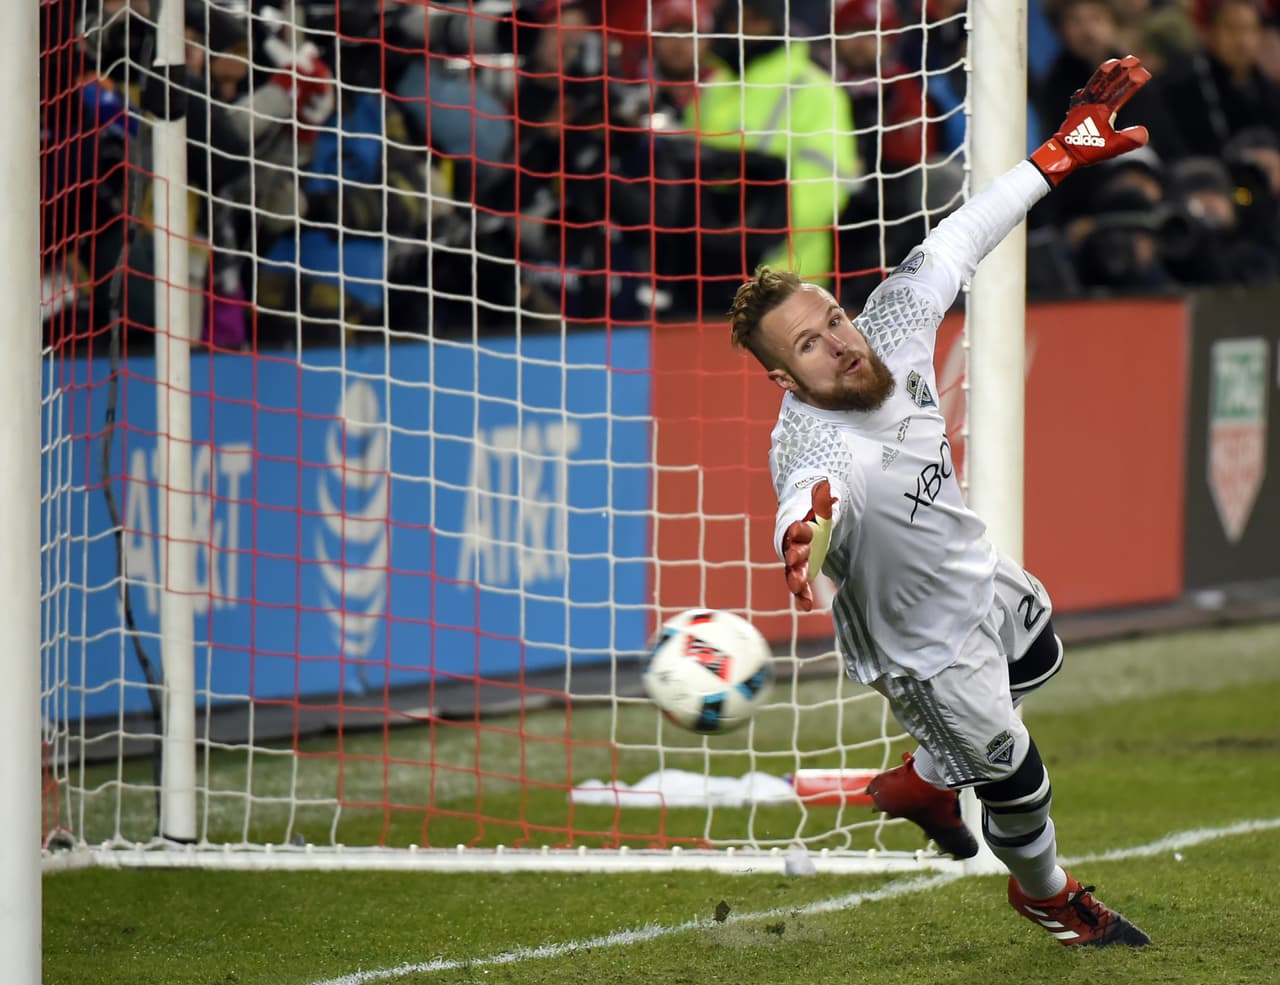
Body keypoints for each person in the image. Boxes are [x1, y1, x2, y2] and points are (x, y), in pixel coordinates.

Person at [727, 56, 1156, 948]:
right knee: (1018, 782)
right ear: (784, 378)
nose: (837, 343)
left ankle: (924, 782)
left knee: (1039, 654)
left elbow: (963, 234)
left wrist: (1058, 155)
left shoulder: (892, 321)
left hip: (976, 572)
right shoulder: (815, 442)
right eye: (807, 346)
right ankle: (1048, 895)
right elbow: (810, 498)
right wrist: (800, 534)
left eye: (831, 319)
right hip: (925, 651)